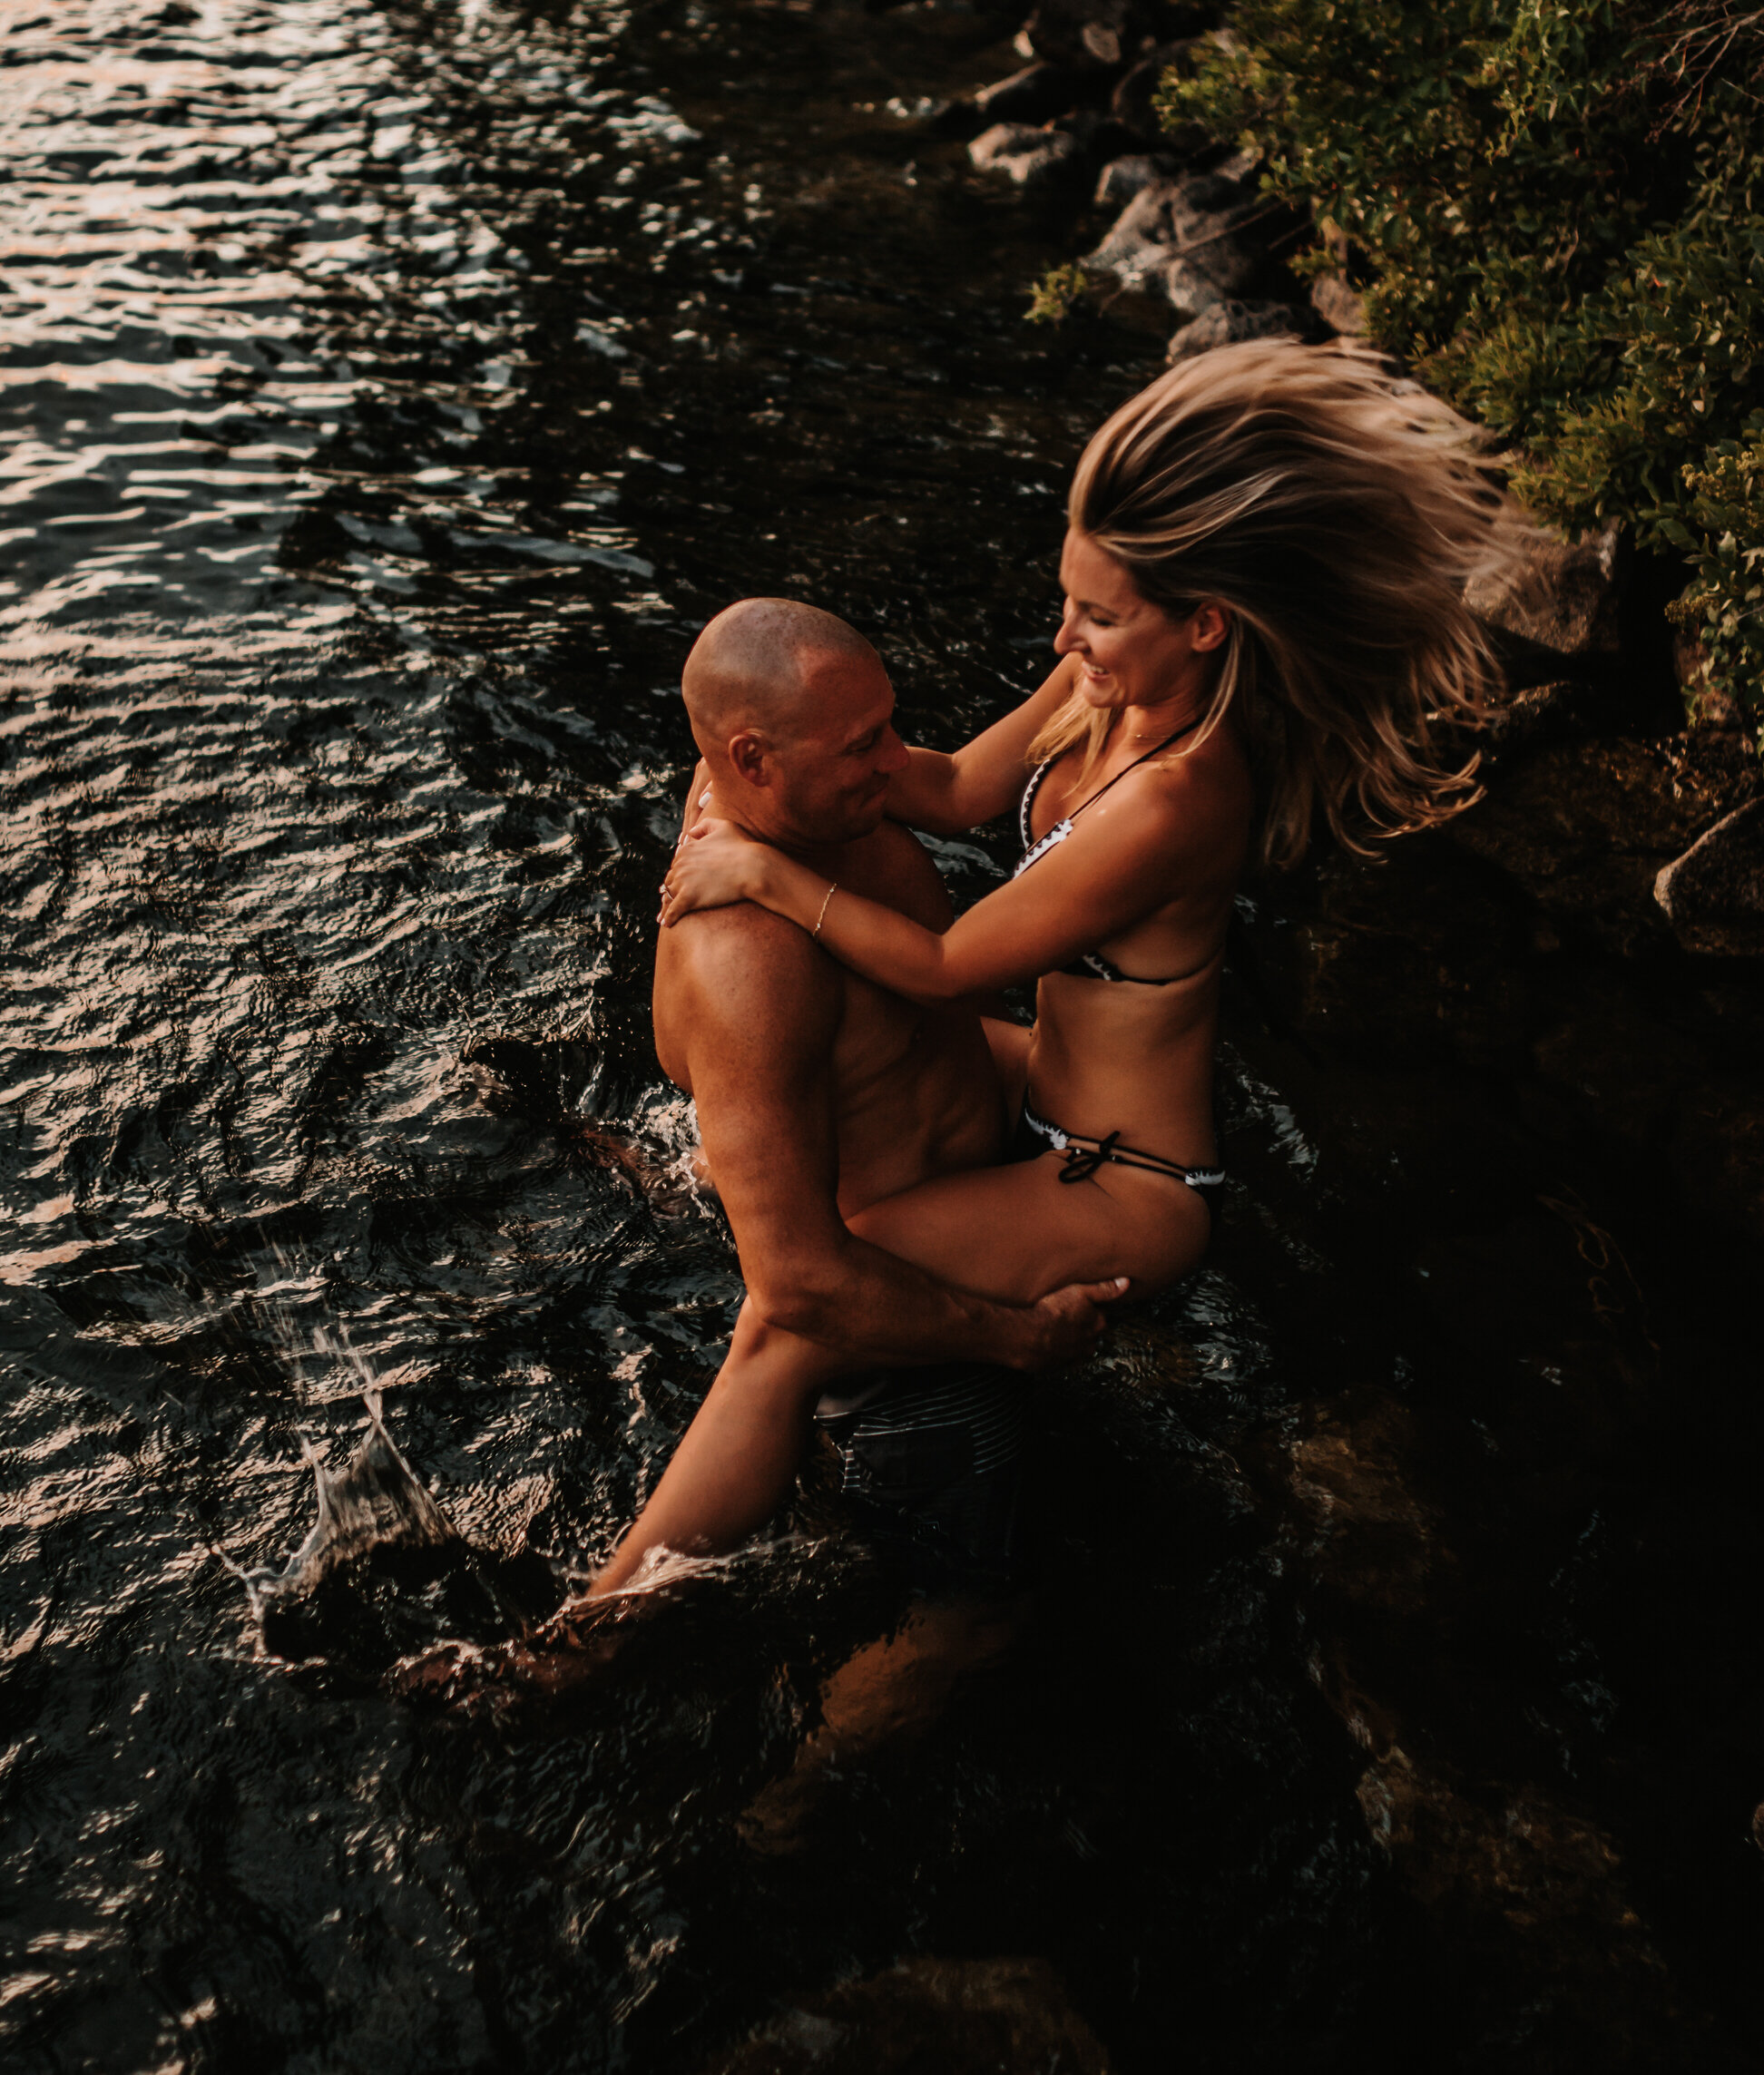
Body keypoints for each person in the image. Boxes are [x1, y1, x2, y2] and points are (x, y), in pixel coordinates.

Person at [641, 338, 1525, 1581]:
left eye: (1100, 614)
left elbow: (949, 961)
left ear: (1205, 622)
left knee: (792, 1312)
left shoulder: (1181, 797)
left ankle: (595, 1627)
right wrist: (746, 776)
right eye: (1073, 598)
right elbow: (942, 788)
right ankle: (699, 1185)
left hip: (1124, 1171)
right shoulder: (1100, 682)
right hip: (1039, 1069)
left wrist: (769, 873)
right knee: (810, 1142)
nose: (1066, 633)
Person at [583, 596, 1132, 1601]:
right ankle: (583, 1641)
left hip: (963, 1179)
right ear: (752, 759)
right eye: (863, 744)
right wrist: (1020, 1334)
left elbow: (963, 786)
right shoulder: (749, 960)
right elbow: (798, 1287)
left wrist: (1107, 639)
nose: (895, 760)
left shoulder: (792, 788)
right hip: (900, 1325)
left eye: (887, 725)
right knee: (966, 1636)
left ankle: (693, 1170)